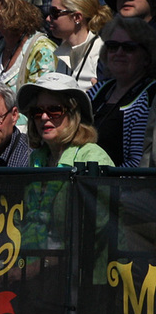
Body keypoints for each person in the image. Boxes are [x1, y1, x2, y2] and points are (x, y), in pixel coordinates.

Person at [20, 73, 114, 253]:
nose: (45, 117)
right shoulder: (36, 158)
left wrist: (48, 263)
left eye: (54, 110)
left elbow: (99, 228)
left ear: (73, 115)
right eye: (37, 112)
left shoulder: (92, 157)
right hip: (31, 268)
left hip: (80, 273)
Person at [89, 15, 156, 166]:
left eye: (129, 47)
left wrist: (101, 183)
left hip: (122, 187)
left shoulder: (150, 96)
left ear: (147, 56)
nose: (119, 52)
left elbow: (138, 162)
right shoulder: (99, 89)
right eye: (113, 46)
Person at [48, 0, 111, 90]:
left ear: (77, 17)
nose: (48, 19)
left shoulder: (101, 52)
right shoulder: (64, 51)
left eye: (54, 13)